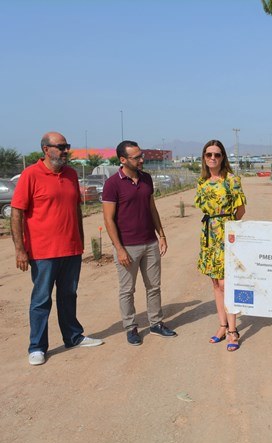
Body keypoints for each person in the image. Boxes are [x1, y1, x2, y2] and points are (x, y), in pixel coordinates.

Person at [11, 131, 104, 366]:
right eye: (61, 147)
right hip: (42, 253)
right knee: (41, 299)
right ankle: (37, 347)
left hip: (71, 250)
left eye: (66, 146)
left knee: (68, 295)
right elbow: (17, 213)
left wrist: (80, 240)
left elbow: (76, 210)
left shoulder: (71, 174)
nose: (65, 151)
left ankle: (73, 337)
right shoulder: (31, 175)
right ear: (46, 149)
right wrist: (20, 250)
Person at [102, 140, 176, 346]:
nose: (142, 159)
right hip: (127, 247)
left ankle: (156, 323)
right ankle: (131, 327)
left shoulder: (146, 179)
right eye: (137, 157)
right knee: (127, 290)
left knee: (154, 287)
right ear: (123, 160)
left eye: (141, 155)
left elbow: (152, 208)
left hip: (150, 243)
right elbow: (108, 219)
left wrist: (161, 235)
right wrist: (119, 249)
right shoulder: (112, 184)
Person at [195, 140, 246, 352]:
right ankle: (223, 326)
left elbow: (241, 210)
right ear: (204, 158)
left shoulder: (232, 180)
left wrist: (229, 230)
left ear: (223, 157)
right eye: (209, 155)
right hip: (208, 235)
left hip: (226, 234)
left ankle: (234, 330)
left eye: (217, 154)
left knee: (227, 284)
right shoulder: (202, 182)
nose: (213, 158)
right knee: (216, 284)